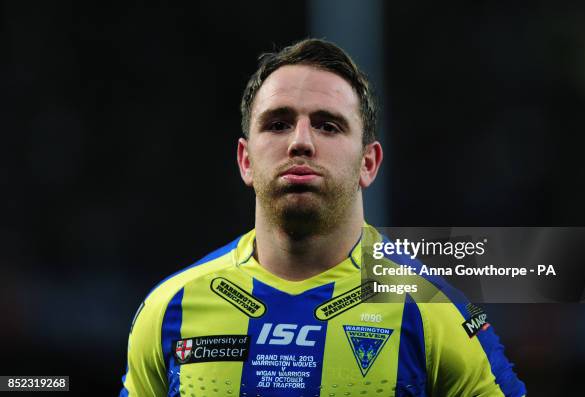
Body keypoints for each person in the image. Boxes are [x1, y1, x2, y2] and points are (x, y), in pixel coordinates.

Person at [119, 39, 526, 397]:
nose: (300, 142)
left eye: (328, 126)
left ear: (369, 163)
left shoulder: (432, 306)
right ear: (245, 160)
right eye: (278, 124)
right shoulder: (172, 305)